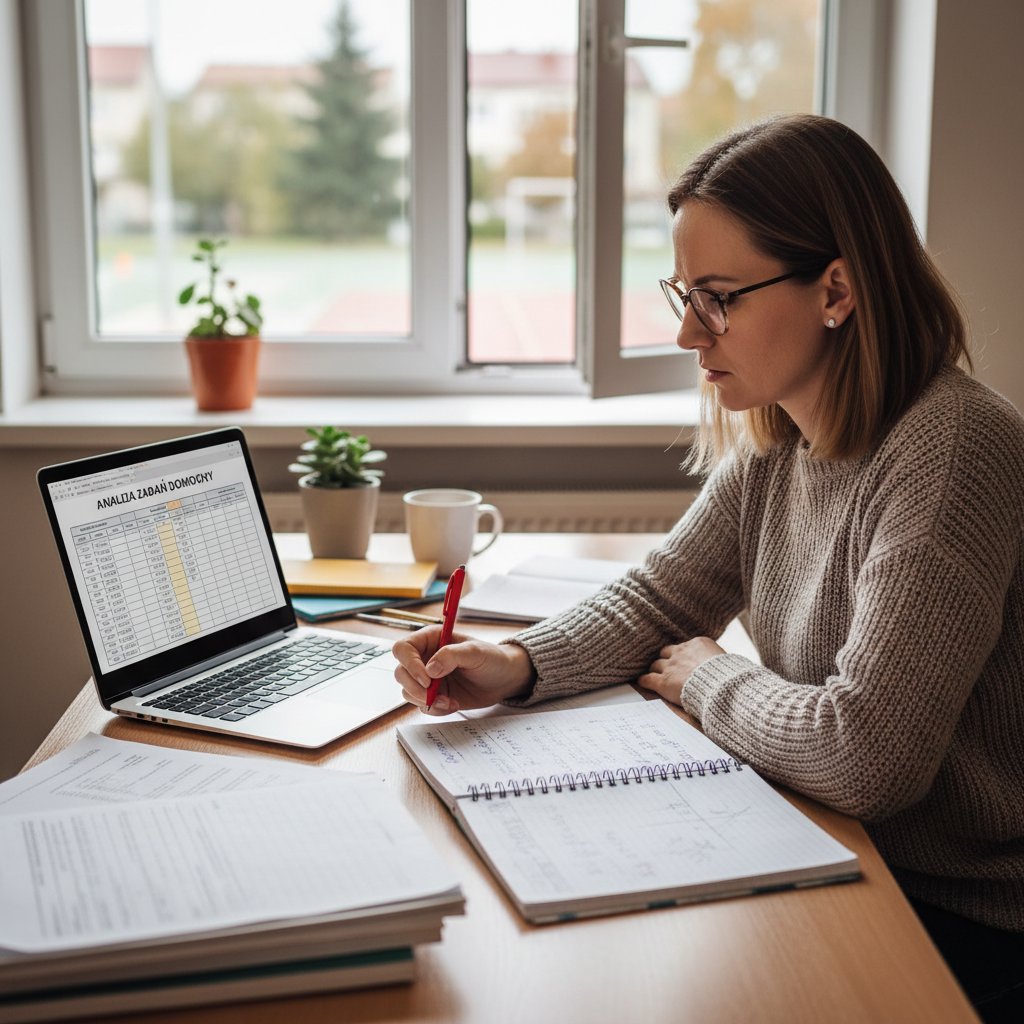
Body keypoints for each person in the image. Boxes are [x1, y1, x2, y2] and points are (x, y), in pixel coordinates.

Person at [391, 114, 1024, 1022]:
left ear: (835, 288)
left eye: (719, 297)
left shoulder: (953, 450)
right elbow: (661, 596)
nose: (691, 334)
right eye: (682, 294)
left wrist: (709, 678)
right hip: (852, 854)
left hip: (967, 917)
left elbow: (868, 756)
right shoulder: (785, 436)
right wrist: (519, 666)